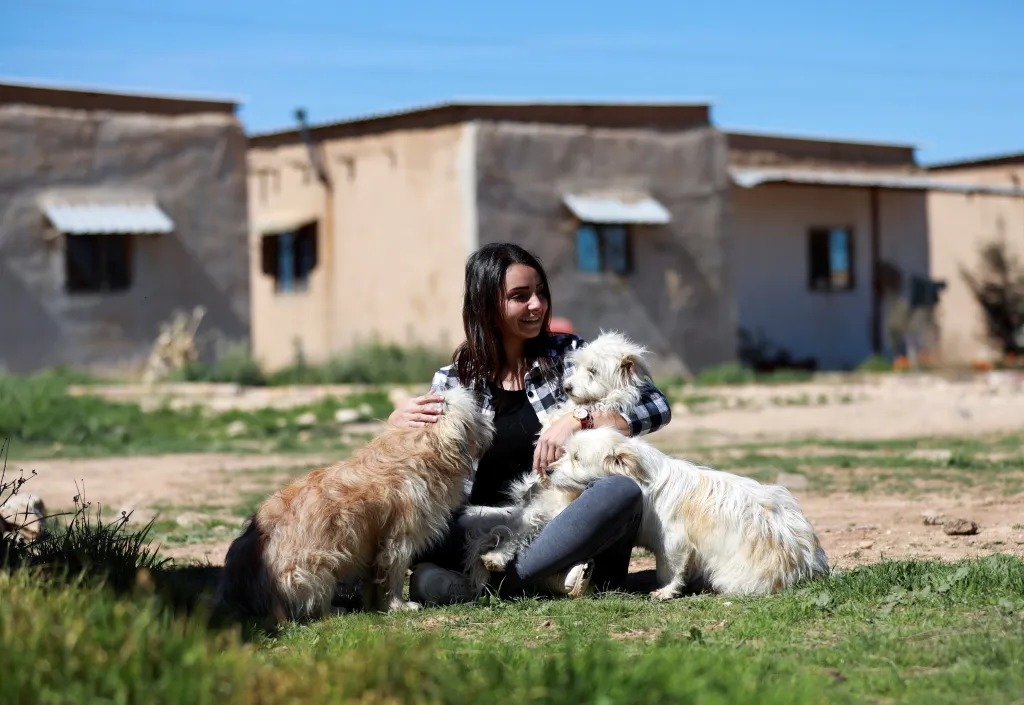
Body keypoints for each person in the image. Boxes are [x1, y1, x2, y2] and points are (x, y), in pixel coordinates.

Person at [388, 242, 672, 604]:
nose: (537, 305)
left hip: (568, 521)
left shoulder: (572, 356)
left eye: (540, 293)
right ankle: (543, 579)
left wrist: (579, 419)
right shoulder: (454, 380)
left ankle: (496, 585)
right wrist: (398, 429)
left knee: (622, 492)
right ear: (487, 306)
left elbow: (656, 405)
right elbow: (420, 471)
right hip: (489, 525)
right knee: (416, 518)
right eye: (520, 296)